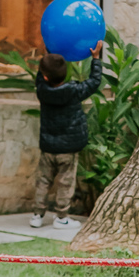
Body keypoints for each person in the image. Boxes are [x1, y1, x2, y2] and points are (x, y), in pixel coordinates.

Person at [31, 40, 103, 229]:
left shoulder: (42, 90)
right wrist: (95, 58)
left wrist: (47, 53)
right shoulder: (74, 91)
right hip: (68, 149)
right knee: (65, 182)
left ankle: (37, 215)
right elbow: (94, 82)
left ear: (45, 77)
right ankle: (61, 217)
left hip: (48, 146)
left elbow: (41, 76)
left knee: (43, 180)